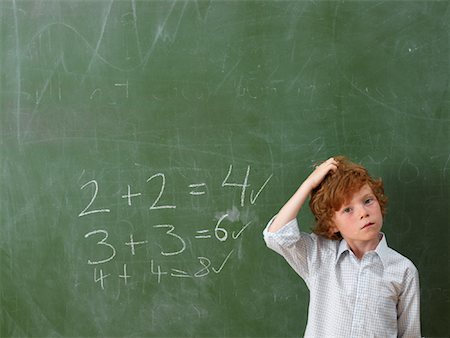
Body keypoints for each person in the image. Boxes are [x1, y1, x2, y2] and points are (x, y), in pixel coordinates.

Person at [263, 156, 421, 337]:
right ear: (332, 224)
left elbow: (410, 334)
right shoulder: (320, 256)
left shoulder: (403, 270)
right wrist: (309, 184)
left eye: (368, 200)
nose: (363, 213)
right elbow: (276, 236)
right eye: (348, 209)